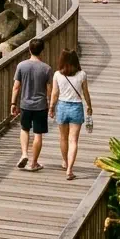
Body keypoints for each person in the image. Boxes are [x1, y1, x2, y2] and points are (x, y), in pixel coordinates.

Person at [49, 49, 92, 180]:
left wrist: (51, 108)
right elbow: (85, 92)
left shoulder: (57, 74)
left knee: (63, 138)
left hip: (62, 107)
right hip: (76, 108)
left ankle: (65, 162)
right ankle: (69, 170)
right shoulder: (82, 74)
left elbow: (55, 93)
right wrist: (89, 106)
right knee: (73, 140)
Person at [12, 39, 52, 170]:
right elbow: (49, 90)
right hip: (41, 105)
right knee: (38, 134)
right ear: (42, 51)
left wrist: (13, 103)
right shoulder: (46, 68)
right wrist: (51, 105)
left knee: (24, 129)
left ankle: (24, 154)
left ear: (29, 50)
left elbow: (16, 87)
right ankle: (34, 163)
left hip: (25, 104)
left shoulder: (21, 66)